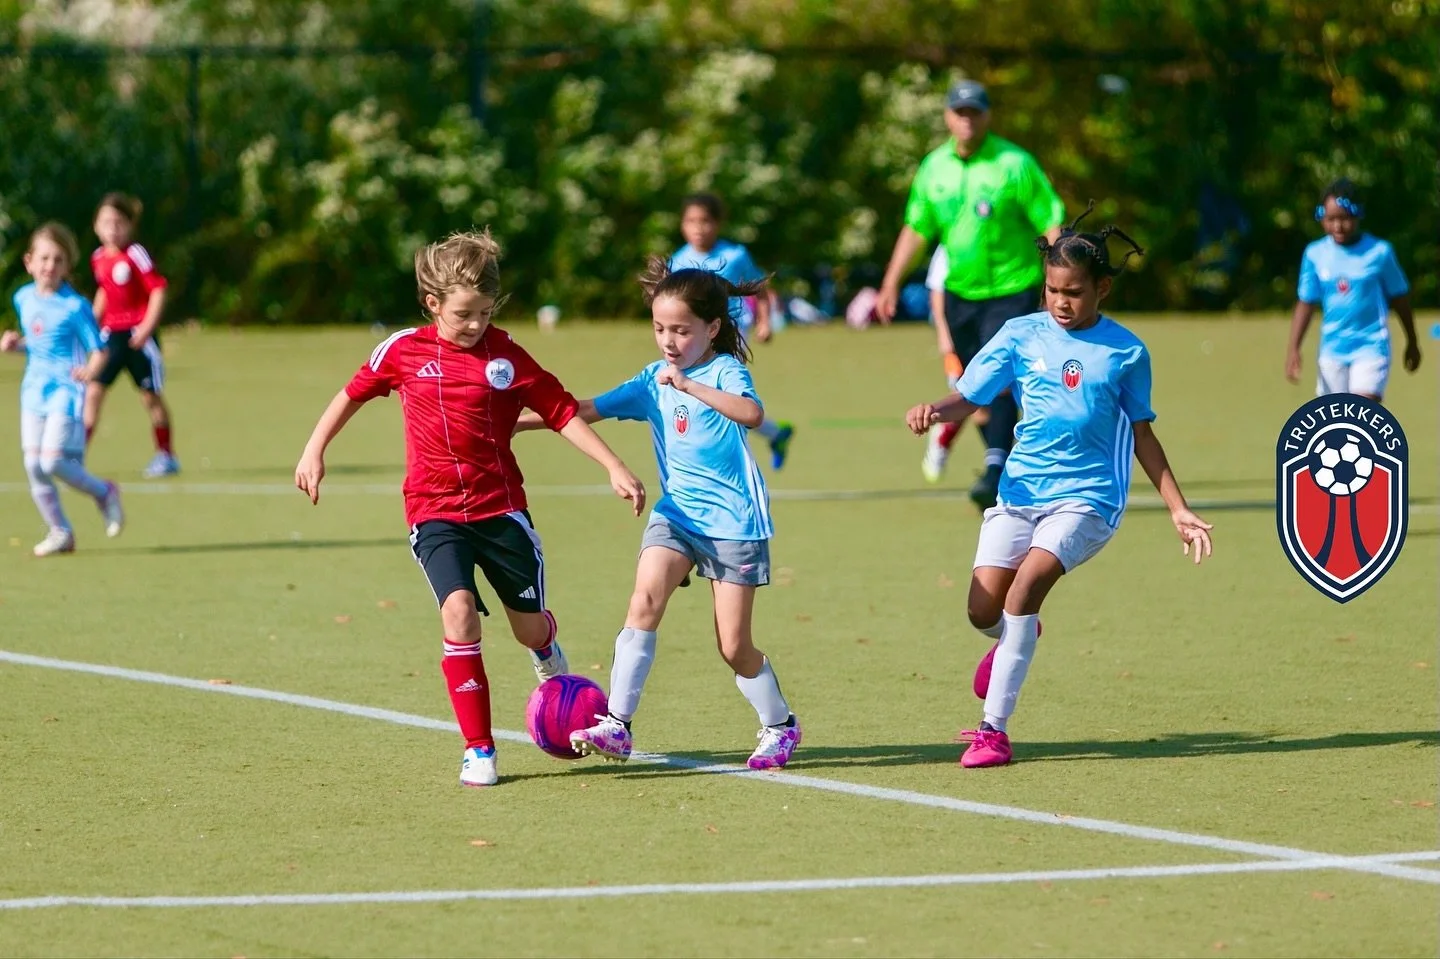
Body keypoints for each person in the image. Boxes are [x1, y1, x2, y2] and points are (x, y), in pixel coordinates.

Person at [294, 229, 647, 789]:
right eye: (464, 313)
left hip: (501, 511)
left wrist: (613, 465)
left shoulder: (506, 355)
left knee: (528, 630)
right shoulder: (403, 351)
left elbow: (560, 411)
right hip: (433, 513)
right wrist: (315, 450)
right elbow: (351, 394)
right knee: (457, 611)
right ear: (432, 304)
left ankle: (547, 648)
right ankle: (478, 748)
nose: (476, 323)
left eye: (485, 312)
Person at [904, 204, 1214, 768]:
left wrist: (1178, 508)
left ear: (1103, 289)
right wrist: (936, 409)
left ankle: (992, 732)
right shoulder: (1019, 334)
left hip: (1089, 499)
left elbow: (1143, 435)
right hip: (1020, 493)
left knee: (1025, 589)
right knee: (981, 609)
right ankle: (1012, 640)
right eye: (1051, 291)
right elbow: (971, 396)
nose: (1060, 302)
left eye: (1073, 291)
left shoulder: (1126, 352)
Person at [516, 259, 802, 771]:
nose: (668, 341)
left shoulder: (723, 372)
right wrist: (519, 423)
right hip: (677, 516)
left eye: (681, 330)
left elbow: (752, 413)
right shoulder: (654, 379)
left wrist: (689, 386)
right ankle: (617, 726)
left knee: (734, 646)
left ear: (712, 328)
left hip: (734, 524)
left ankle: (780, 725)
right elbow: (584, 408)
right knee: (643, 600)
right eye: (659, 328)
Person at [876, 79, 1066, 507]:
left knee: (997, 380)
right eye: (959, 112)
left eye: (975, 112)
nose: (967, 120)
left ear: (987, 115)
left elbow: (1050, 220)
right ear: (947, 116)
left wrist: (1061, 279)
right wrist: (890, 283)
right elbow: (916, 228)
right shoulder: (933, 168)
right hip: (960, 292)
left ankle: (997, 469)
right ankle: (1007, 461)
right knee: (970, 387)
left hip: (1011, 289)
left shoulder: (1014, 163)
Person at [1, 223, 125, 556]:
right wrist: (16, 345)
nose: (49, 266)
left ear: (67, 267)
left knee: (53, 462)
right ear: (29, 262)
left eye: (58, 260)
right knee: (32, 466)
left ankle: (104, 492)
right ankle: (61, 532)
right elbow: (40, 343)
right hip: (33, 392)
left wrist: (90, 371)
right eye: (43, 258)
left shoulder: (75, 307)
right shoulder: (23, 298)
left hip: (65, 392)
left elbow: (100, 349)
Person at [670, 192, 796, 471]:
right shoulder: (677, 262)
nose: (698, 228)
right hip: (692, 342)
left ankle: (732, 464)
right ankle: (776, 434)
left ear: (717, 224)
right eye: (691, 221)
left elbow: (759, 288)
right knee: (704, 401)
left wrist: (765, 321)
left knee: (724, 400)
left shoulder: (734, 255)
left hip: (730, 335)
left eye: (705, 221)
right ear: (682, 225)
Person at [1285, 178, 1420, 399]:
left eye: (1344, 219)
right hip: (1332, 351)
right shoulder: (1315, 254)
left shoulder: (1379, 252)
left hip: (1371, 346)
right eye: (1330, 219)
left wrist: (1412, 342)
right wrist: (1293, 349)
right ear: (1321, 217)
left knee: (1362, 413)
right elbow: (1306, 303)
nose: (1337, 226)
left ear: (1358, 215)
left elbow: (1400, 300)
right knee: (1335, 425)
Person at [86, 192, 180, 478]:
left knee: (150, 397)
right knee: (92, 393)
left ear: (129, 225)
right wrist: (90, 325)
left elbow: (158, 289)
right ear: (96, 226)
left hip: (138, 336)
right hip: (109, 336)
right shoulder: (98, 258)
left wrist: (147, 328)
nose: (112, 229)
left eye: (118, 222)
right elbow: (104, 291)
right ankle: (76, 456)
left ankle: (166, 455)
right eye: (106, 222)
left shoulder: (135, 254)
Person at [920, 244, 988, 484]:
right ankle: (945, 437)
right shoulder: (952, 244)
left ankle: (996, 465)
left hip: (992, 328)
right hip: (961, 334)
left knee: (987, 400)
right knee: (974, 397)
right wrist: (943, 333)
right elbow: (937, 290)